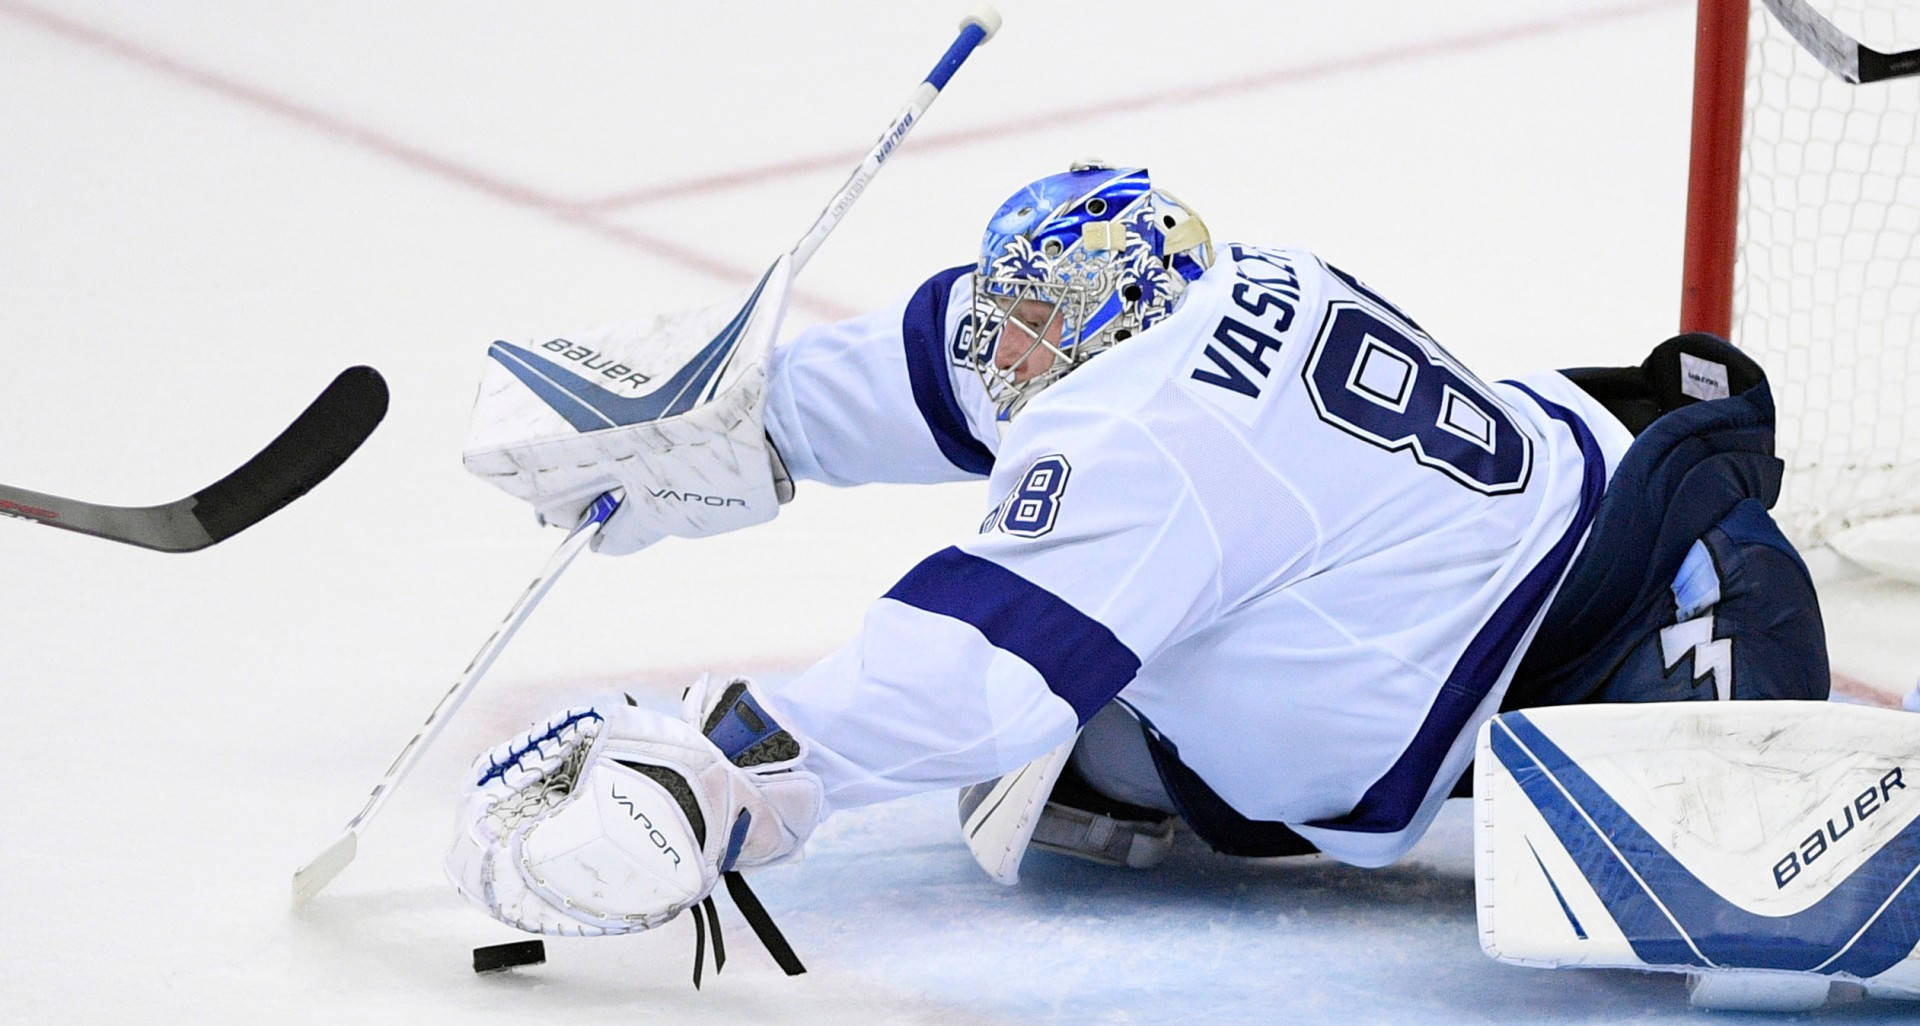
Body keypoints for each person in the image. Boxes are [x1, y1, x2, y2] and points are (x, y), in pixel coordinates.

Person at [445, 161, 1829, 969]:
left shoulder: (1152, 435)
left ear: (1109, 316)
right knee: (1071, 769)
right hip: (1509, 580)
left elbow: (971, 670)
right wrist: (742, 421)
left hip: (1654, 610)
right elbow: (952, 354)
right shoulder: (1190, 290)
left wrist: (725, 772)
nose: (1006, 345)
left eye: (1033, 319)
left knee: (1745, 877)